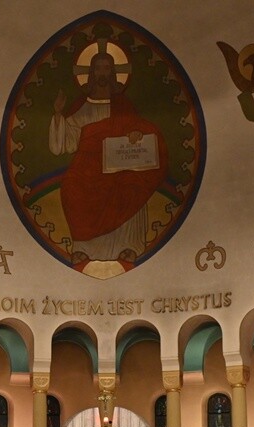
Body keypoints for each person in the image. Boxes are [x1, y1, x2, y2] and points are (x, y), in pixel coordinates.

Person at [48, 50, 166, 266]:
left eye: (106, 68)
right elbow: (66, 144)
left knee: (128, 184)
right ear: (91, 73)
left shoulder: (123, 104)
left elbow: (136, 128)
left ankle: (127, 245)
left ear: (112, 72)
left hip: (118, 166)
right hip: (88, 166)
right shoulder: (81, 106)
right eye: (98, 68)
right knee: (71, 187)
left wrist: (136, 134)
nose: (102, 73)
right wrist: (58, 115)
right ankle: (83, 248)